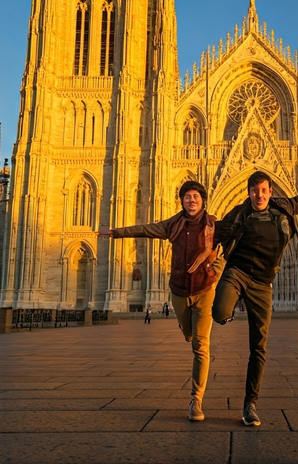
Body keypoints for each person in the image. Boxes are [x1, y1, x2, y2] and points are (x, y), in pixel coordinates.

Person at [213, 161, 298, 426]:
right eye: (254, 190)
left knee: (258, 347)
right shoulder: (239, 213)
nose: (259, 195)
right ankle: (228, 311)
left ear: (270, 191)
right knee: (218, 312)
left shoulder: (283, 207)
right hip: (238, 272)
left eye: (263, 190)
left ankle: (250, 405)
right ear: (248, 192)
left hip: (264, 282)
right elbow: (212, 231)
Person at [101, 181, 220, 422]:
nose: (191, 200)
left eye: (195, 196)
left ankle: (196, 400)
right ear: (182, 200)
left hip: (205, 289)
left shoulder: (213, 225)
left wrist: (216, 269)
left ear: (203, 200)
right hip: (178, 291)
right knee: (189, 334)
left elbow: (230, 245)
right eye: (187, 196)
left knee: (201, 345)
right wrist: (115, 233)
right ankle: (189, 331)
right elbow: (146, 229)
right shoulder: (173, 224)